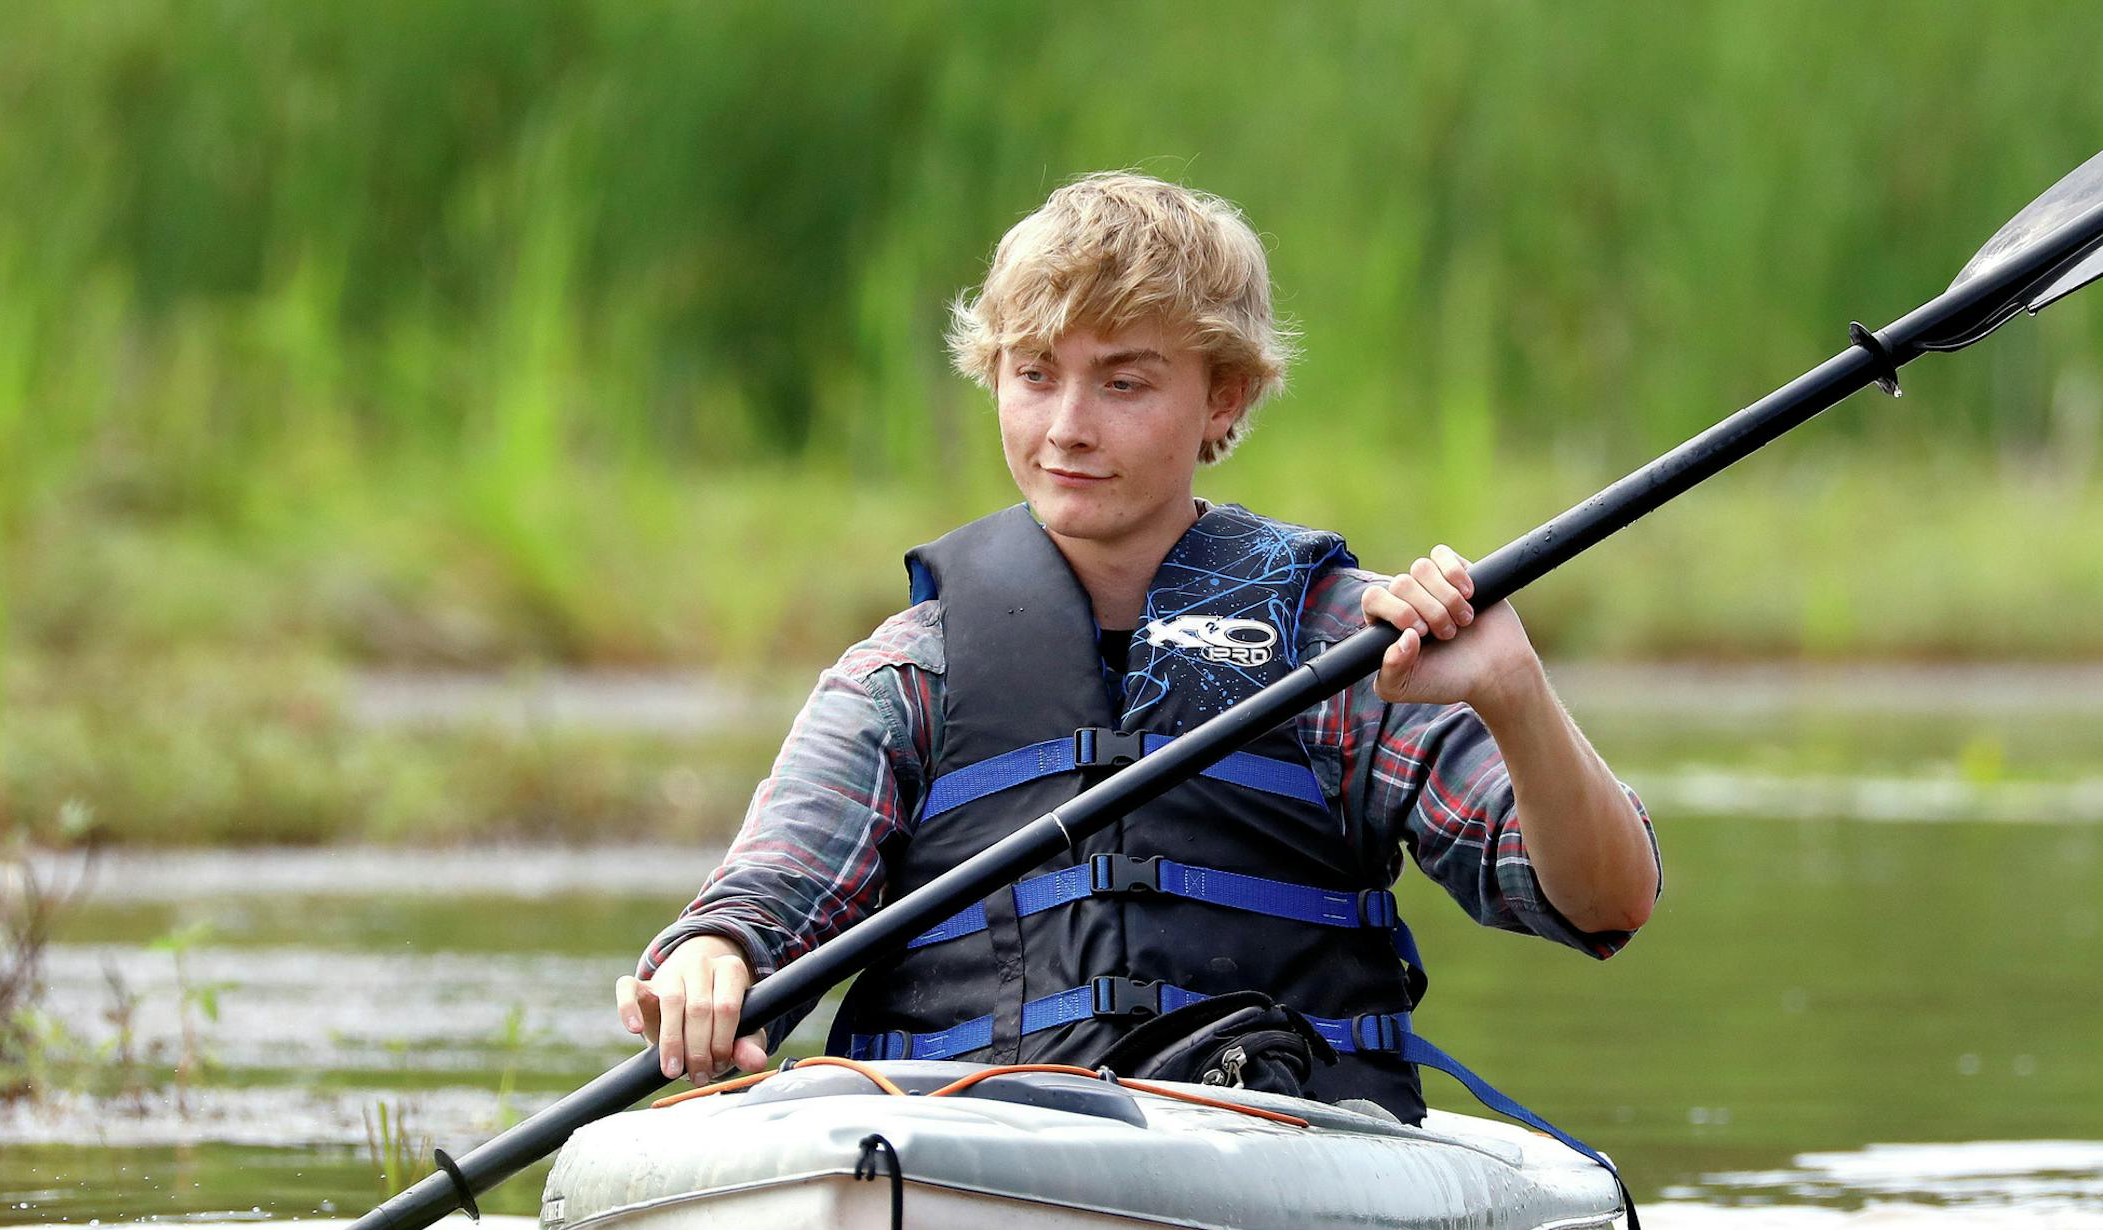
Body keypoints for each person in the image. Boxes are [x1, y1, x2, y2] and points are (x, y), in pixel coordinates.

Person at [615, 172, 1659, 1122]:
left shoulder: (1348, 650)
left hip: (1282, 1148)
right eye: (1034, 375)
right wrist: (713, 955)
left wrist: (1515, 693)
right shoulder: (906, 676)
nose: (1067, 426)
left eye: (1122, 383)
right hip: (965, 1144)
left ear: (1224, 397)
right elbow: (770, 892)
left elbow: (1605, 903)